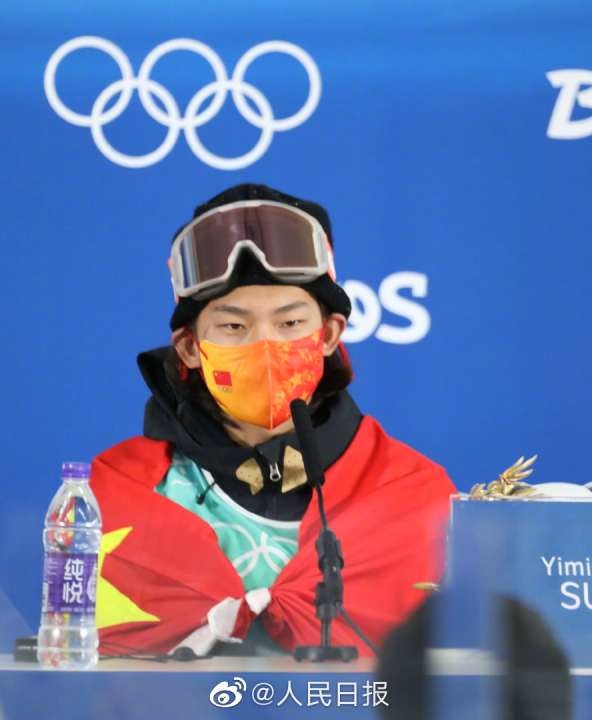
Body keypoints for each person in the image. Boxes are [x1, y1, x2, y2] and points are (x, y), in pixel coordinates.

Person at [90, 183, 455, 658]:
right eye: (233, 326)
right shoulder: (118, 492)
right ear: (190, 348)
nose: (265, 347)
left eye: (290, 323)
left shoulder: (412, 493)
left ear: (329, 334)